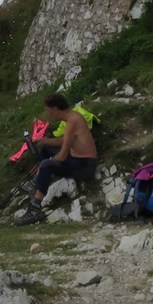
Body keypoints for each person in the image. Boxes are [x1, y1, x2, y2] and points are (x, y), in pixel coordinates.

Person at [14, 93, 98, 226]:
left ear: (55, 109)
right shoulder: (72, 117)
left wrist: (45, 165)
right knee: (46, 149)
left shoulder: (72, 121)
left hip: (85, 165)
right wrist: (44, 141)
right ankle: (38, 183)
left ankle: (35, 209)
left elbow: (63, 155)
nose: (48, 114)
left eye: (48, 110)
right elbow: (66, 140)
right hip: (79, 158)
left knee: (47, 165)